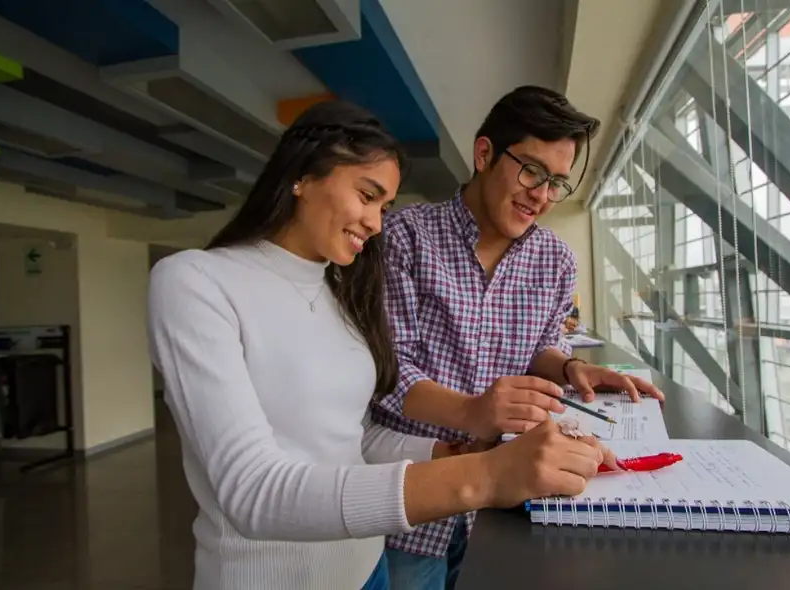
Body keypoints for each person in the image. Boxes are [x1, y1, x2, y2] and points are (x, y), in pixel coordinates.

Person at [147, 100, 617, 590]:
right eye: (367, 196)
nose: (375, 224)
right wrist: (484, 473)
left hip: (368, 566)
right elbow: (252, 493)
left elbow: (354, 436)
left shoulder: (340, 288)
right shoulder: (194, 281)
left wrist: (447, 451)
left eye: (384, 206)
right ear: (302, 176)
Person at [371, 85, 665, 589]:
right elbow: (387, 372)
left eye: (556, 182)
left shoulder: (556, 261)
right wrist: (472, 412)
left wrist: (571, 368)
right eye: (532, 171)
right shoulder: (404, 237)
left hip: (504, 503)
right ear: (484, 154)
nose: (542, 195)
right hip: (413, 496)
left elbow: (539, 348)